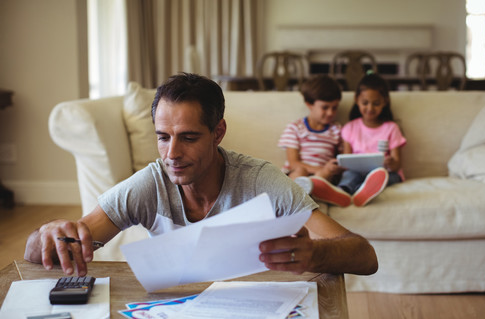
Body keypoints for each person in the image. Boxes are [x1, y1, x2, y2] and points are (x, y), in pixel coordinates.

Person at [24, 72, 378, 278]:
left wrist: (314, 255)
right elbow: (49, 251)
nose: (172, 154)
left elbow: (364, 255)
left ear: (218, 133)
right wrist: (48, 233)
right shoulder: (150, 183)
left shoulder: (261, 181)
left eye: (189, 138)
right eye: (163, 138)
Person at [277, 74, 350, 207]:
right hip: (298, 173)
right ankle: (307, 194)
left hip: (323, 176)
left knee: (326, 173)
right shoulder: (295, 127)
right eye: (325, 107)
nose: (330, 113)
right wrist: (318, 169)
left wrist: (332, 168)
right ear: (309, 104)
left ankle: (312, 194)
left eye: (334, 108)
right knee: (300, 172)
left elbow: (343, 160)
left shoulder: (337, 129)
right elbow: (293, 163)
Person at [336, 71, 407, 206]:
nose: (370, 108)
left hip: (384, 172)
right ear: (357, 100)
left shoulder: (391, 128)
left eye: (376, 103)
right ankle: (342, 191)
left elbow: (397, 165)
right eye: (365, 103)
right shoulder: (350, 128)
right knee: (350, 175)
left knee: (386, 176)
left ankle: (361, 191)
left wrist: (390, 162)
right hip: (357, 172)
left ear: (384, 102)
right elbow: (346, 160)